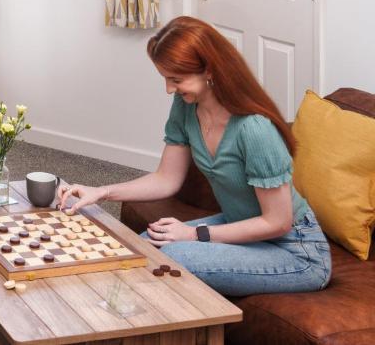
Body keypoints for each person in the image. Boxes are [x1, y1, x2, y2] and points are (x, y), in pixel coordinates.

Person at [58, 16, 331, 296]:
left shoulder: (254, 128)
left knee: (172, 258)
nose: (169, 89)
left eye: (176, 79)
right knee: (143, 246)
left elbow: (278, 222)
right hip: (241, 225)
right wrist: (100, 191)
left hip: (295, 251)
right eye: (165, 78)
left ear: (210, 70)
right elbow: (167, 179)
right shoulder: (186, 106)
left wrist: (194, 234)